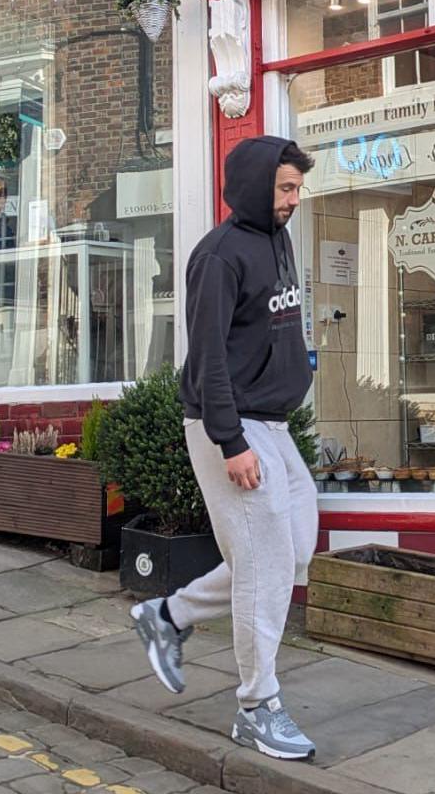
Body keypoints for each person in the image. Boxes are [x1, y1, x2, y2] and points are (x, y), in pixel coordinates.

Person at [130, 136, 319, 761]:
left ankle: (170, 617)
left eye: (297, 187)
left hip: (274, 424)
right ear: (253, 186)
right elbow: (207, 357)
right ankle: (256, 704)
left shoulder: (277, 238)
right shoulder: (217, 257)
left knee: (292, 549)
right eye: (284, 188)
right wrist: (231, 440)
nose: (294, 199)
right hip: (231, 427)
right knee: (264, 564)